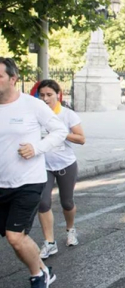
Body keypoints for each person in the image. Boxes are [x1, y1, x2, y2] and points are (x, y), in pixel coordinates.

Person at [0, 57, 68, 287]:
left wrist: (36, 148)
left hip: (28, 181)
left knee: (15, 236)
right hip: (2, 182)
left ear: (13, 79)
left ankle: (38, 276)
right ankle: (41, 267)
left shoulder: (32, 104)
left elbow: (59, 130)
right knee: (15, 240)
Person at [36, 80, 85, 261]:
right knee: (43, 203)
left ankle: (70, 229)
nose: (45, 98)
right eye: (42, 95)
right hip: (43, 165)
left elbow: (81, 139)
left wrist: (61, 133)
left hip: (66, 164)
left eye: (49, 95)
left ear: (58, 94)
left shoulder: (67, 115)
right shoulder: (37, 115)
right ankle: (49, 242)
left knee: (67, 202)